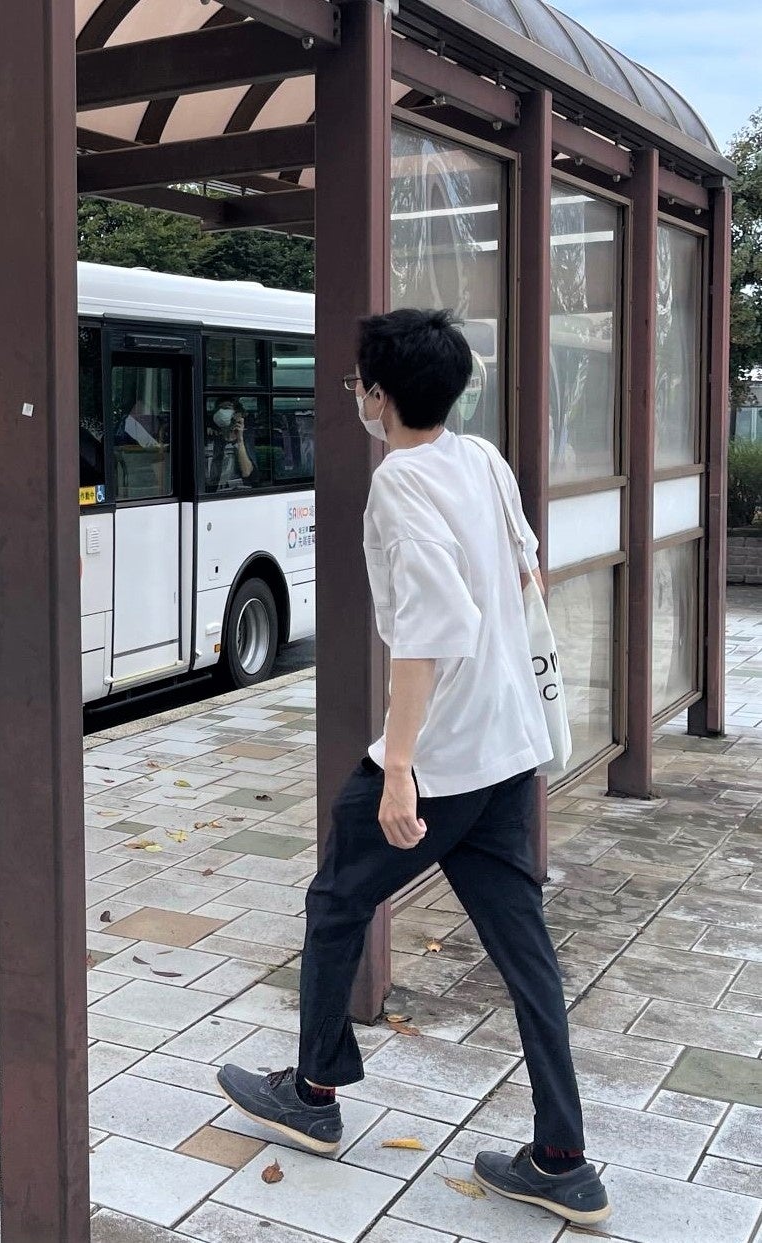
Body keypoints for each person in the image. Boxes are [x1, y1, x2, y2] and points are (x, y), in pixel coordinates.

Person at [217, 309, 608, 1227]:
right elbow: (529, 577)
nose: (355, 395)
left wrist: (398, 768)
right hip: (507, 747)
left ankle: (312, 1093)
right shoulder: (483, 460)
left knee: (335, 899)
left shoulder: (399, 481)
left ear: (381, 396)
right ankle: (562, 1157)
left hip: (444, 756)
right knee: (526, 952)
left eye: (359, 383)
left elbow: (428, 632)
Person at [207, 399, 257, 491]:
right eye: (220, 408)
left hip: (239, 491)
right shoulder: (215, 438)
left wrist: (239, 440)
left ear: (237, 414)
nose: (222, 412)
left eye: (227, 408)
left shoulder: (245, 439)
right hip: (214, 492)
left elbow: (246, 472)